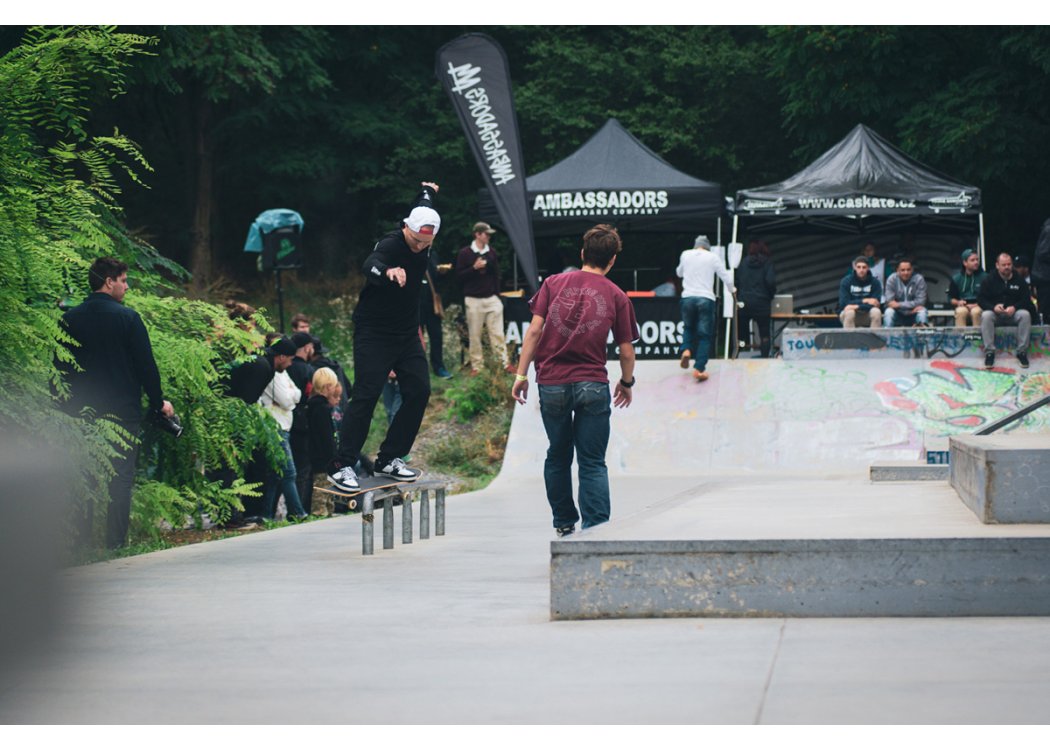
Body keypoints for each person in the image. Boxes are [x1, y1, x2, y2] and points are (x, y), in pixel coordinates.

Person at [512, 224, 639, 537]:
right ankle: (596, 529)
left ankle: (564, 523)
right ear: (611, 261)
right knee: (592, 461)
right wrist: (627, 383)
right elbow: (626, 351)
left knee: (558, 454)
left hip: (552, 383)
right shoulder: (616, 295)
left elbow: (534, 331)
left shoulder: (553, 283)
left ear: (582, 254)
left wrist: (521, 374)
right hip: (593, 384)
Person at [326, 182, 439, 492]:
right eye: (415, 241)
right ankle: (341, 464)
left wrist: (427, 190)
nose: (419, 247)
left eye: (425, 243)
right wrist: (388, 272)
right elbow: (370, 265)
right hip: (374, 333)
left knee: (419, 391)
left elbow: (425, 201)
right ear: (406, 229)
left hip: (406, 334)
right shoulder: (390, 245)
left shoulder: (424, 220)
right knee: (367, 392)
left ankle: (389, 458)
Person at [59, 258, 175, 548]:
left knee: (84, 475)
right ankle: (115, 542)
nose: (126, 285)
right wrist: (158, 401)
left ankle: (80, 542)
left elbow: (60, 369)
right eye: (123, 279)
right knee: (120, 478)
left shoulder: (69, 319)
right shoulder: (128, 318)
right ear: (109, 281)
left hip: (80, 412)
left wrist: (60, 407)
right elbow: (146, 366)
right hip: (122, 412)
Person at [258, 336, 309, 520]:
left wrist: (290, 395)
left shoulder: (281, 372)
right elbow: (287, 399)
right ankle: (298, 512)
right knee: (289, 472)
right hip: (276, 428)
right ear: (280, 357)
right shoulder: (272, 373)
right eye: (289, 359)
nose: (290, 364)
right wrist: (290, 396)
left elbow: (297, 392)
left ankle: (267, 514)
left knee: (275, 475)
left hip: (284, 426)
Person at [676, 234, 735, 381]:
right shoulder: (712, 257)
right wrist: (732, 290)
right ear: (707, 247)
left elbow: (679, 273)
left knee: (688, 327)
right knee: (705, 336)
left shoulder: (686, 254)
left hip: (688, 297)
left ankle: (687, 350)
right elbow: (725, 276)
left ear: (696, 245)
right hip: (705, 298)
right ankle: (699, 368)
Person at [456, 221, 509, 374]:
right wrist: (474, 268)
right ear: (477, 234)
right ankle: (477, 366)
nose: (489, 237)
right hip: (473, 299)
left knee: (497, 333)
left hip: (491, 298)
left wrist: (497, 296)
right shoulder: (465, 253)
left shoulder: (491, 252)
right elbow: (459, 277)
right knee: (475, 334)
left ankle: (503, 364)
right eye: (486, 234)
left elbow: (496, 275)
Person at [977, 252, 1034, 369]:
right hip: (996, 314)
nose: (1007, 267)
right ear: (997, 265)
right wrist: (993, 307)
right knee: (986, 315)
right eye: (1004, 265)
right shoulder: (989, 279)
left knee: (1025, 314)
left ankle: (1021, 352)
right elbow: (981, 299)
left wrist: (1015, 307)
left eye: (1009, 264)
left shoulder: (1019, 279)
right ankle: (989, 352)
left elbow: (1026, 300)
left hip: (1013, 314)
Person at [287, 331, 316, 515]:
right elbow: (309, 396)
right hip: (303, 424)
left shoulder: (285, 368)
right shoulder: (308, 370)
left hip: (286, 421)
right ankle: (300, 509)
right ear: (307, 347)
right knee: (303, 470)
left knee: (285, 471)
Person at [307, 367, 342, 516]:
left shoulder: (312, 406)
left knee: (327, 489)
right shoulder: (321, 408)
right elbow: (326, 436)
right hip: (323, 458)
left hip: (316, 455)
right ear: (328, 387)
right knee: (322, 489)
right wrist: (333, 456)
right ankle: (319, 513)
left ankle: (327, 512)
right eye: (334, 385)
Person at [736, 240, 777, 358]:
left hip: (744, 302)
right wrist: (771, 295)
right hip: (762, 303)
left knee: (740, 333)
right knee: (764, 334)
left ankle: (737, 357)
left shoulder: (743, 262)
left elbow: (737, 281)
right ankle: (764, 359)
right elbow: (771, 282)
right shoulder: (767, 263)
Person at [420, 253, 453, 379]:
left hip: (431, 303)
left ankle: (439, 367)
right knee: (417, 339)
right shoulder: (410, 252)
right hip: (416, 303)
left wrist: (442, 273)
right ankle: (419, 368)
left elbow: (437, 280)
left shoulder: (434, 255)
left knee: (436, 336)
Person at [838, 256, 883, 329]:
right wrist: (865, 300)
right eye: (858, 267)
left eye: (864, 267)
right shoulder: (846, 281)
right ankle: (850, 340)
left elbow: (876, 304)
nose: (861, 270)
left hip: (867, 314)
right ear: (854, 267)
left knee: (876, 312)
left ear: (868, 268)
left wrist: (857, 306)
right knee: (850, 312)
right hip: (849, 315)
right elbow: (843, 304)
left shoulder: (875, 282)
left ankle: (874, 339)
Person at [883, 257, 929, 327]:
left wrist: (899, 305)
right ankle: (886, 337)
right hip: (898, 313)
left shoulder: (919, 279)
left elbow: (921, 301)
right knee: (889, 312)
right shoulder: (892, 279)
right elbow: (890, 302)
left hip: (914, 312)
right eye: (903, 270)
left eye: (908, 270)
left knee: (922, 311)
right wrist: (910, 307)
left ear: (912, 270)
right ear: (897, 270)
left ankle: (923, 337)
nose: (906, 272)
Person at [948, 248, 987, 327]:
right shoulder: (957, 278)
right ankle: (960, 338)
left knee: (975, 312)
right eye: (972, 260)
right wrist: (958, 302)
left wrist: (977, 304)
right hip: (963, 306)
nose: (976, 262)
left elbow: (989, 297)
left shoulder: (985, 277)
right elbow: (951, 298)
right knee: (960, 312)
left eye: (977, 260)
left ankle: (977, 338)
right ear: (965, 263)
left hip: (979, 306)